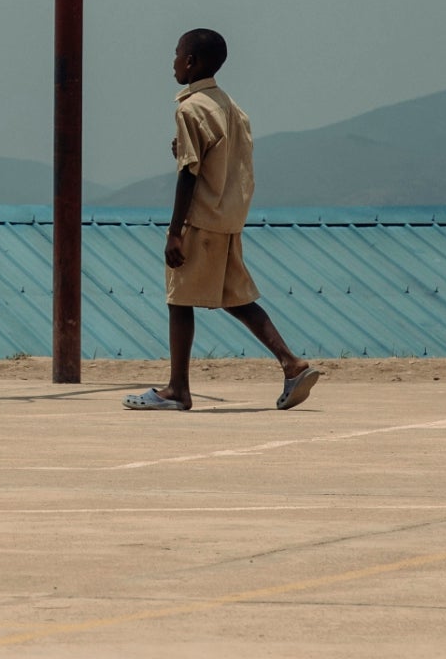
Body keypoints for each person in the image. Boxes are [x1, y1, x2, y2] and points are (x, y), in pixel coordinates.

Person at [125, 30, 321, 412]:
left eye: (178, 54)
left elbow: (189, 173)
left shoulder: (190, 108)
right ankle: (292, 363)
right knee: (237, 298)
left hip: (202, 219)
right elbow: (225, 160)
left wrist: (175, 231)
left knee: (179, 298)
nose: (174, 60)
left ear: (192, 62)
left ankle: (177, 389)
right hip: (228, 218)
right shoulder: (231, 107)